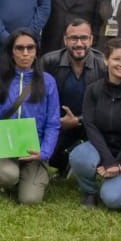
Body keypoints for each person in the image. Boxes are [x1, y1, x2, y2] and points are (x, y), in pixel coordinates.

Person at [0, 28, 61, 204]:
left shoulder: (48, 81)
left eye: (30, 48)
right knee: (8, 176)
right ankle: (2, 176)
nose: (25, 53)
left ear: (36, 51)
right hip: (1, 147)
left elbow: (53, 123)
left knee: (30, 200)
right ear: (11, 52)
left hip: (33, 150)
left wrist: (44, 152)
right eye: (19, 48)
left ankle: (27, 176)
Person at [68, 38, 121, 209]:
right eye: (117, 59)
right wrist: (108, 160)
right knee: (78, 156)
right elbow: (90, 126)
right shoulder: (93, 89)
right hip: (102, 147)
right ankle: (89, 191)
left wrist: (119, 162)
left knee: (114, 199)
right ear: (106, 60)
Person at [38, 19, 106, 173]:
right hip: (59, 123)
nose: (79, 43)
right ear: (65, 40)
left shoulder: (103, 64)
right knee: (49, 155)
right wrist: (56, 121)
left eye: (84, 38)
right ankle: (65, 162)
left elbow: (108, 105)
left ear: (91, 39)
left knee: (93, 156)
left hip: (92, 125)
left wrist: (78, 120)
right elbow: (39, 100)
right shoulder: (49, 61)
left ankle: (82, 156)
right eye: (74, 38)